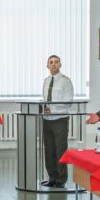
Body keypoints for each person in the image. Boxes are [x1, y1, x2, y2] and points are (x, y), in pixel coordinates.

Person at [39, 55, 74, 189]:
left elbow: (68, 102)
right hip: (47, 119)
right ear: (47, 66)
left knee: (60, 150)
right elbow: (45, 99)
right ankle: (52, 177)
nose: (53, 64)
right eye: (51, 62)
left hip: (60, 119)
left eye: (56, 62)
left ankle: (61, 179)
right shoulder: (46, 81)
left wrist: (52, 109)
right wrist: (44, 109)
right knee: (49, 150)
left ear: (60, 65)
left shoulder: (66, 81)